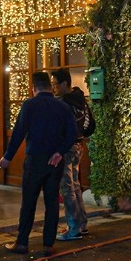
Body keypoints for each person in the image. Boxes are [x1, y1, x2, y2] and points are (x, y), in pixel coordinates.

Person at [0, 70, 77, 256]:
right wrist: (60, 152)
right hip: (54, 161)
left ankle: (22, 242)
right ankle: (48, 244)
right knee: (51, 202)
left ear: (33, 88)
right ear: (50, 87)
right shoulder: (62, 106)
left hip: (34, 159)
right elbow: (72, 134)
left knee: (29, 202)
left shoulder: (30, 105)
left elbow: (19, 132)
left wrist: (7, 157)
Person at [51, 68, 90, 240]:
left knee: (67, 189)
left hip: (67, 147)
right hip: (79, 144)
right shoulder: (80, 98)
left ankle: (73, 229)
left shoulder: (64, 103)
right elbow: (90, 124)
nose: (53, 88)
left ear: (64, 83)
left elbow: (59, 128)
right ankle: (81, 224)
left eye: (55, 84)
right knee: (75, 186)